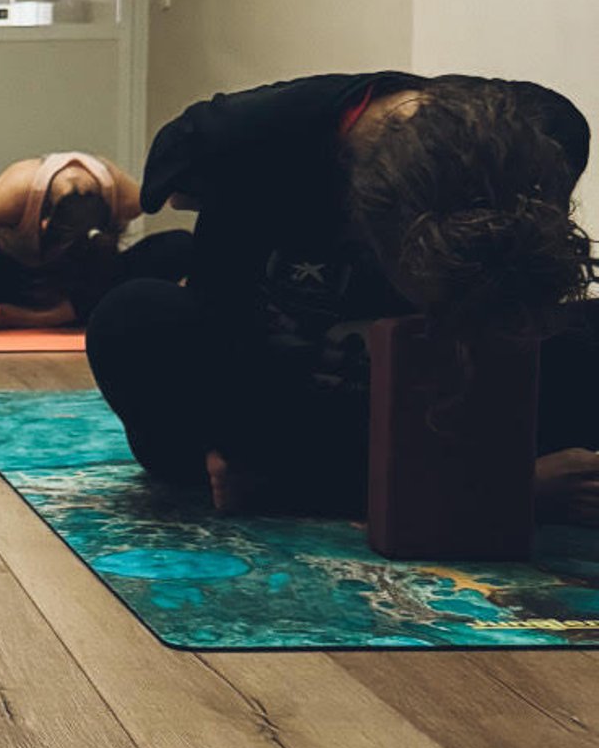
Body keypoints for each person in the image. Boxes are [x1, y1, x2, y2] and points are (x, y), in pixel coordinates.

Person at [85, 71, 599, 519]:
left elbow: (507, 330)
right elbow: (218, 324)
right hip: (289, 403)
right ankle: (315, 487)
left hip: (447, 388)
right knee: (133, 319)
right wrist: (504, 488)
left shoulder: (547, 132)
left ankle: (306, 490)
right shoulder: (235, 138)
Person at [0, 150, 194, 327]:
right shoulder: (16, 192)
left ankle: (49, 316)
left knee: (180, 245)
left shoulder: (125, 197)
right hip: (28, 280)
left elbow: (168, 200)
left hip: (91, 280)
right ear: (44, 225)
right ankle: (78, 313)